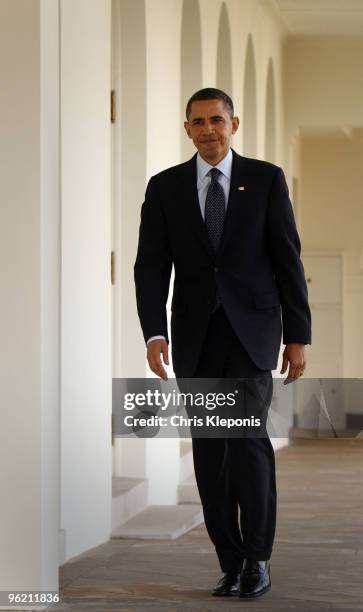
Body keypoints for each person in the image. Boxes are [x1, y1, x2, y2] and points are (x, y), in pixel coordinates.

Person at [134, 88, 311, 599]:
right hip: (195, 339)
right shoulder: (165, 187)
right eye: (198, 121)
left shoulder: (266, 179)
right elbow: (150, 268)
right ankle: (229, 560)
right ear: (186, 128)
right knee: (210, 454)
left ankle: (258, 557)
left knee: (250, 446)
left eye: (217, 120)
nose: (208, 129)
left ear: (234, 124)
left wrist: (297, 335)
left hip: (252, 335)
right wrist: (154, 331)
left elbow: (287, 262)